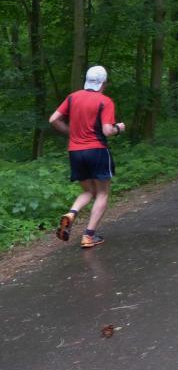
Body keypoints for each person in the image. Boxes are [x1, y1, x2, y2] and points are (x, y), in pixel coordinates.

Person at [49, 65, 125, 248]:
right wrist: (119, 128)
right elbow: (107, 131)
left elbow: (53, 119)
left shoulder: (72, 97)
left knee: (88, 191)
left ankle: (71, 213)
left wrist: (71, 132)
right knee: (102, 193)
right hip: (97, 150)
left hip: (75, 152)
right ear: (103, 83)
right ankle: (88, 236)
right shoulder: (105, 101)